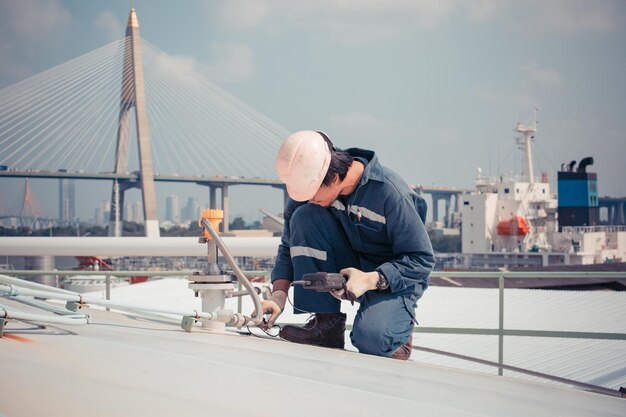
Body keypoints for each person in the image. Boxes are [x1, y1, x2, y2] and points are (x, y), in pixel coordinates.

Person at [257, 130, 434, 360]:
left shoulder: (390, 194)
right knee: (304, 216)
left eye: (312, 194)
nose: (309, 199)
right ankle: (326, 325)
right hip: (349, 264)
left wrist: (372, 279)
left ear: (332, 177)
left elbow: (421, 259)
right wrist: (279, 294)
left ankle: (396, 339)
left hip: (393, 278)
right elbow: (288, 245)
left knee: (372, 340)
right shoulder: (309, 193)